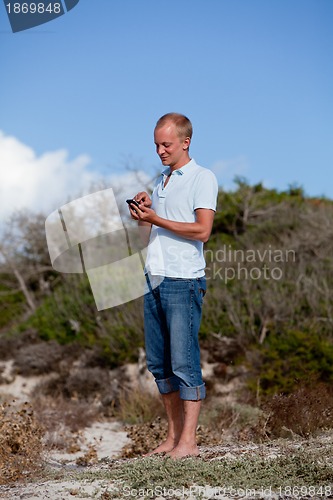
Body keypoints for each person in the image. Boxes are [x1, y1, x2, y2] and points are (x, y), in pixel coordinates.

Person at [128, 113, 218, 458]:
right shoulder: (160, 181)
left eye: (165, 144)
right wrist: (143, 217)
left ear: (185, 141)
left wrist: (157, 218)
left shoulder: (202, 177)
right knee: (159, 366)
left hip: (184, 280)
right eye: (156, 145)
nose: (160, 151)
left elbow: (202, 231)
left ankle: (189, 444)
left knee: (184, 362)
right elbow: (147, 238)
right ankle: (172, 439)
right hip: (154, 278)